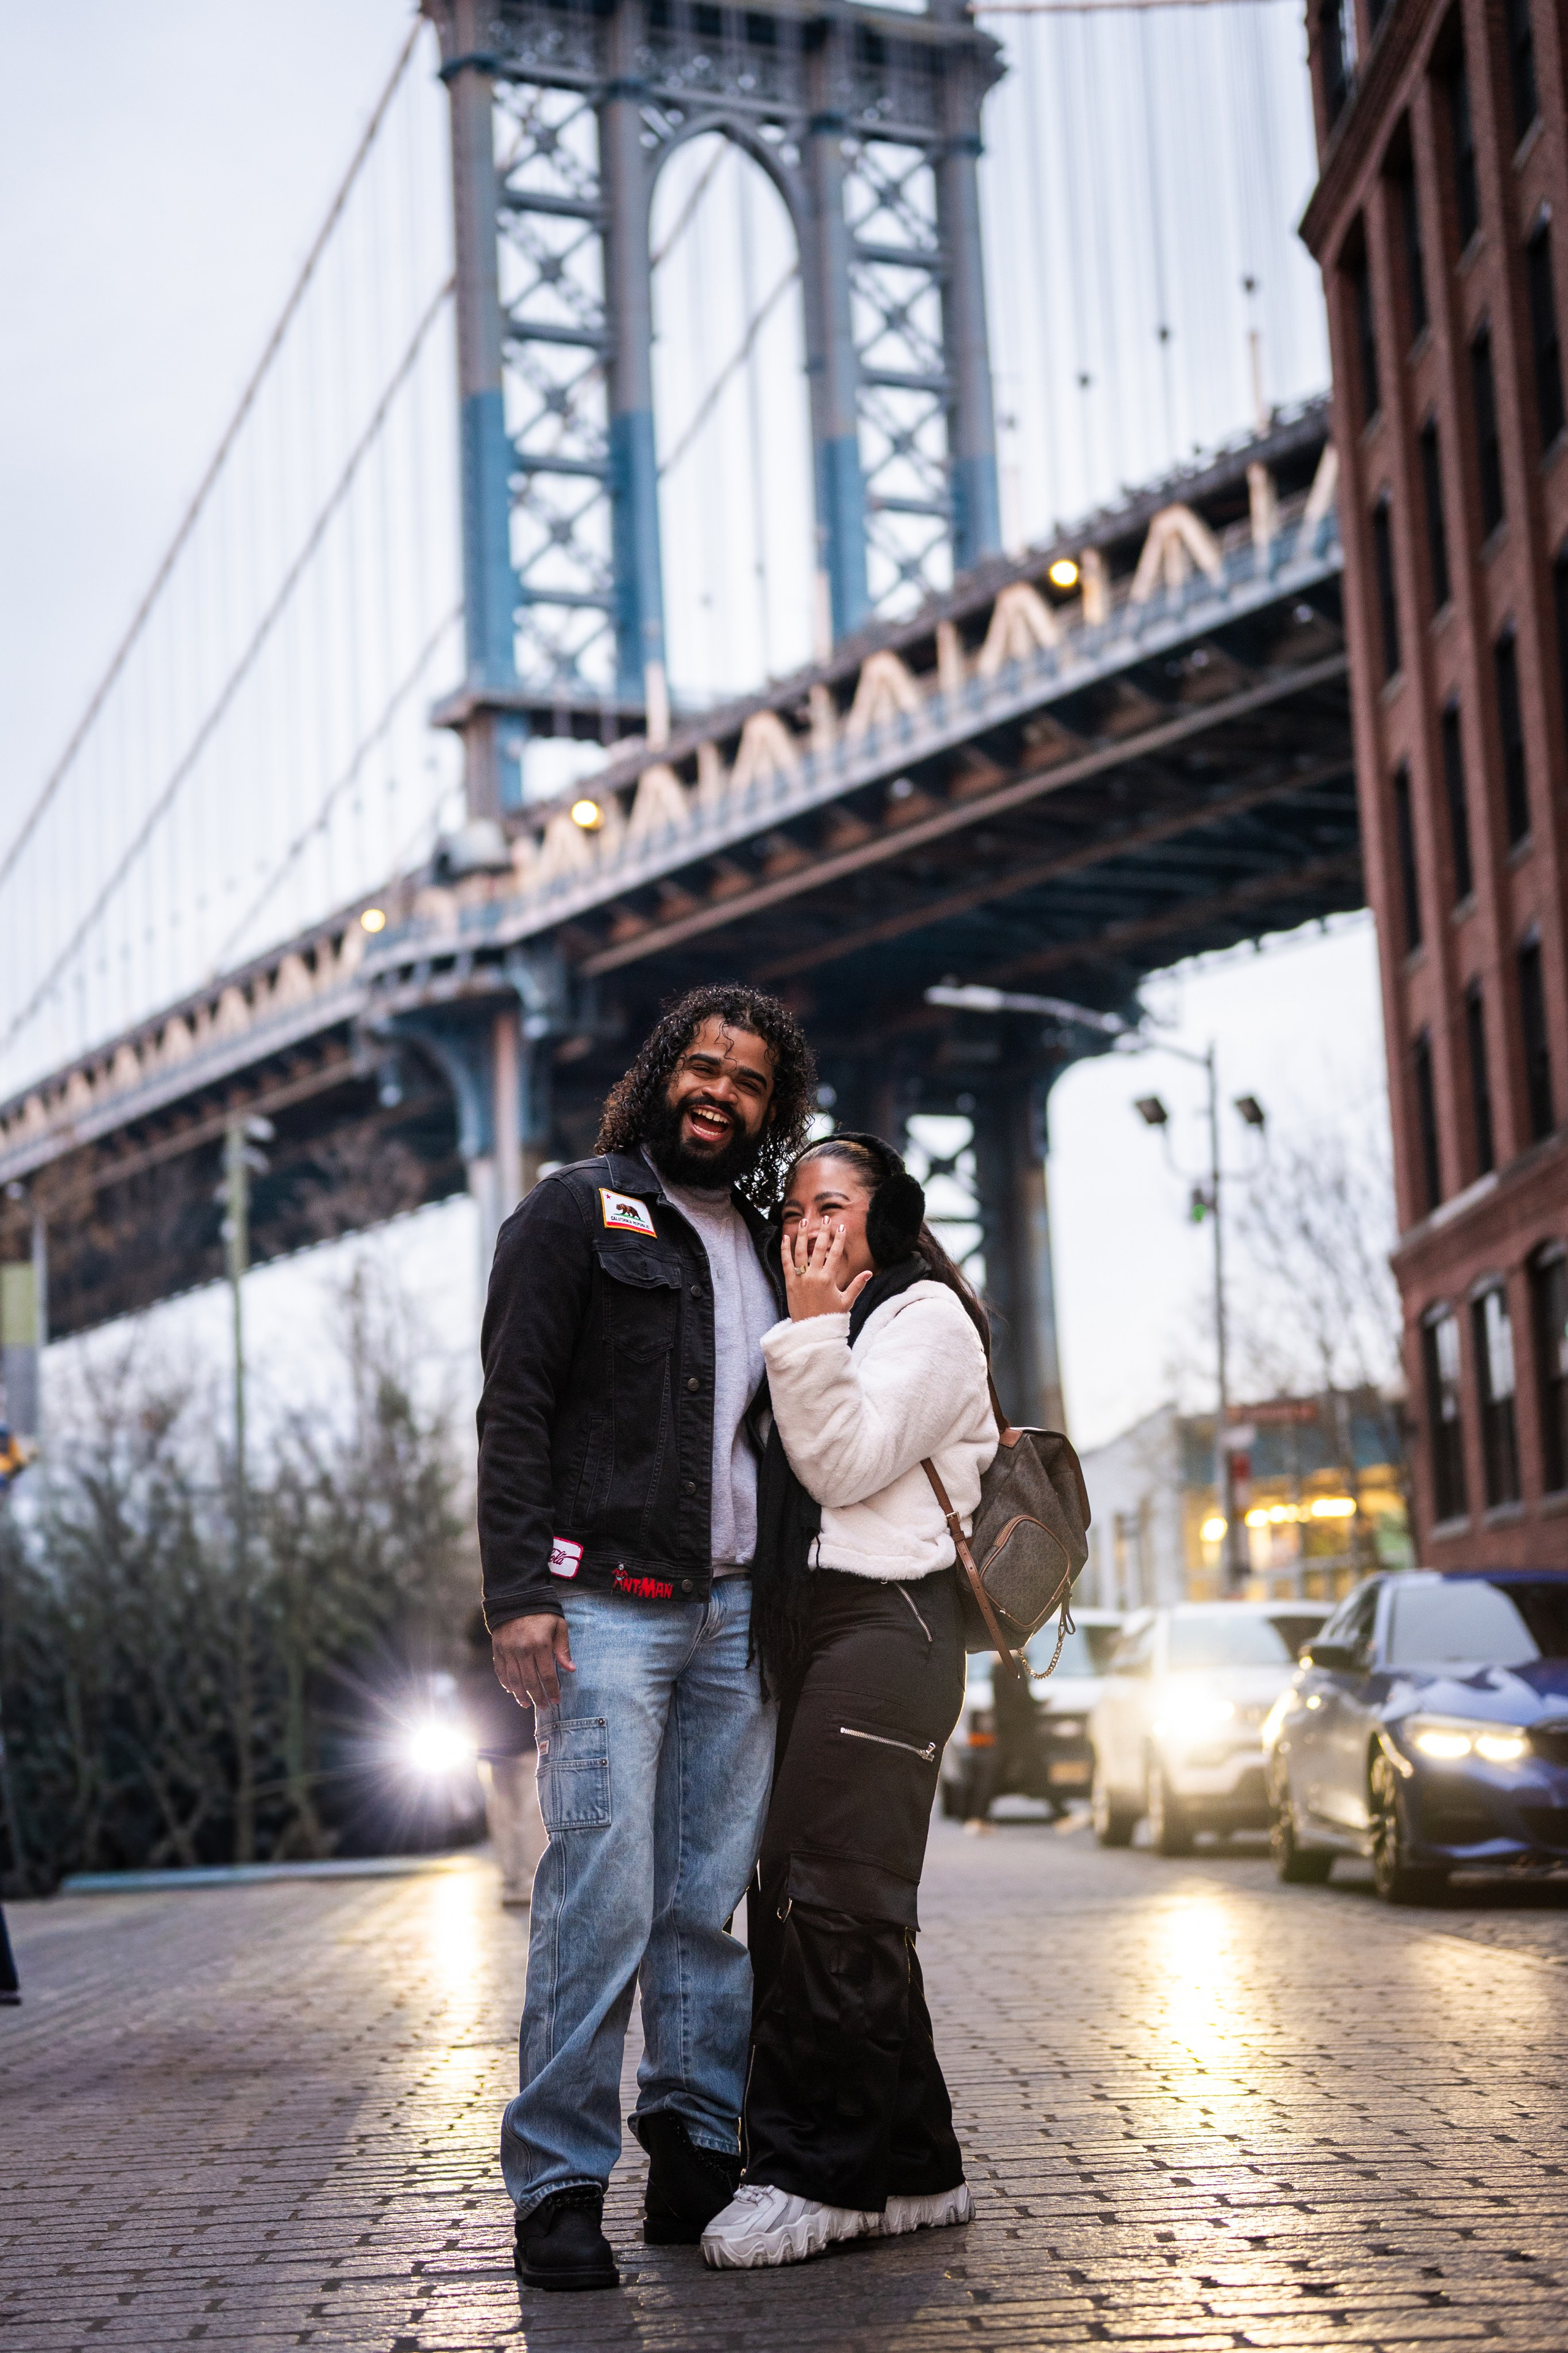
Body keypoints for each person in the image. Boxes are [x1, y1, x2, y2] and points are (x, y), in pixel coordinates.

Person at [477, 984, 816, 2292]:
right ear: (660, 1074)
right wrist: (518, 1595)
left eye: (748, 1079)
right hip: (608, 1602)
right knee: (597, 1895)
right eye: (702, 1064)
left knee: (704, 1902)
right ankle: (558, 2185)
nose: (718, 1090)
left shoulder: (775, 1240)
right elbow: (512, 1411)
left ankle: (692, 2149)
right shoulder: (577, 1209)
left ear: (770, 1109)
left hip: (737, 1611)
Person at [701, 1132, 998, 2272]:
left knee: (828, 1899)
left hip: (897, 1624)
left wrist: (814, 1321)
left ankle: (815, 2176)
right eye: (793, 1209)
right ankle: (916, 2167)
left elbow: (844, 1462)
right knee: (827, 1895)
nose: (805, 1227)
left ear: (888, 1217)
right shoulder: (823, 1322)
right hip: (828, 1630)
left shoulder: (925, 1321)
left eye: (832, 1205)